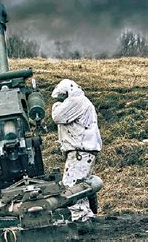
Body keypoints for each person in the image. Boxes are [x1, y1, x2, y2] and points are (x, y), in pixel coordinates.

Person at [51, 79, 102, 222]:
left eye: (62, 97)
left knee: (71, 187)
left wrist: (56, 105)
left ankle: (80, 219)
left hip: (80, 152)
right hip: (83, 151)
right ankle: (87, 215)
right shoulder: (81, 101)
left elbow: (57, 116)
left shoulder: (76, 100)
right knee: (81, 186)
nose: (61, 100)